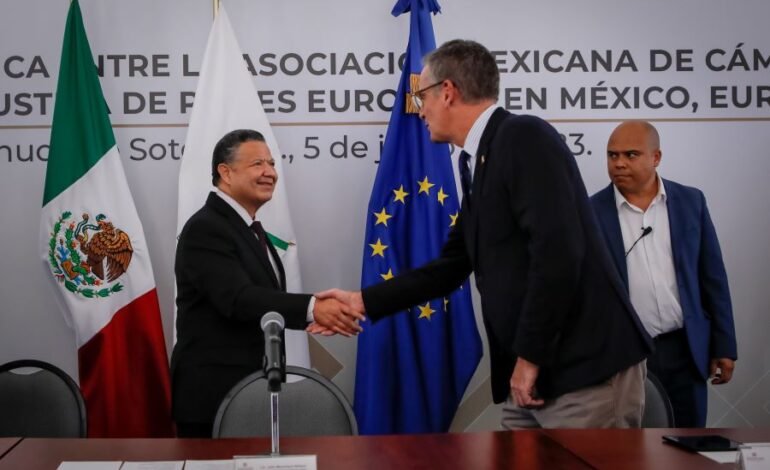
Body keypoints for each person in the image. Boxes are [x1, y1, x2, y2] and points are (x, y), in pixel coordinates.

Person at [315, 40, 653, 429]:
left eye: (422, 97)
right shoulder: (478, 160)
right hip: (533, 375)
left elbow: (559, 255)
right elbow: (449, 268)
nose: (420, 110)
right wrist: (361, 301)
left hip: (583, 372)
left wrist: (530, 357)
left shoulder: (523, 137)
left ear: (447, 92)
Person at [171, 129, 362, 437]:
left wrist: (311, 312)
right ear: (226, 173)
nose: (270, 172)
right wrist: (313, 308)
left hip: (249, 394)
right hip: (213, 399)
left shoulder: (246, 228)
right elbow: (239, 299)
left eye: (272, 164)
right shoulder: (206, 228)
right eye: (257, 164)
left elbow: (261, 301)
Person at [590, 120, 737, 427]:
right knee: (630, 446)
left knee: (688, 442)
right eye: (612, 155)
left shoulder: (690, 202)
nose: (619, 163)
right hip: (625, 355)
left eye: (631, 155)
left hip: (685, 348)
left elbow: (713, 278)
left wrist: (724, 345)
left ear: (656, 157)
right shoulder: (590, 212)